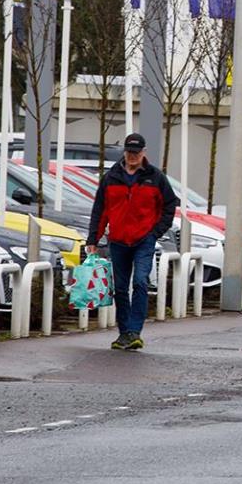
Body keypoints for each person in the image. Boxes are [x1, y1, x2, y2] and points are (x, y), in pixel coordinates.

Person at [86, 133, 179, 351]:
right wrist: (93, 238)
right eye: (129, 152)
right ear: (124, 152)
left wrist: (155, 232)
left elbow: (170, 204)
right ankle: (124, 332)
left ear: (143, 153)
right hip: (118, 240)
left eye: (136, 153)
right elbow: (100, 210)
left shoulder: (155, 177)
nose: (132, 156)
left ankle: (135, 331)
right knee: (119, 288)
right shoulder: (111, 177)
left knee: (140, 281)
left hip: (143, 240)